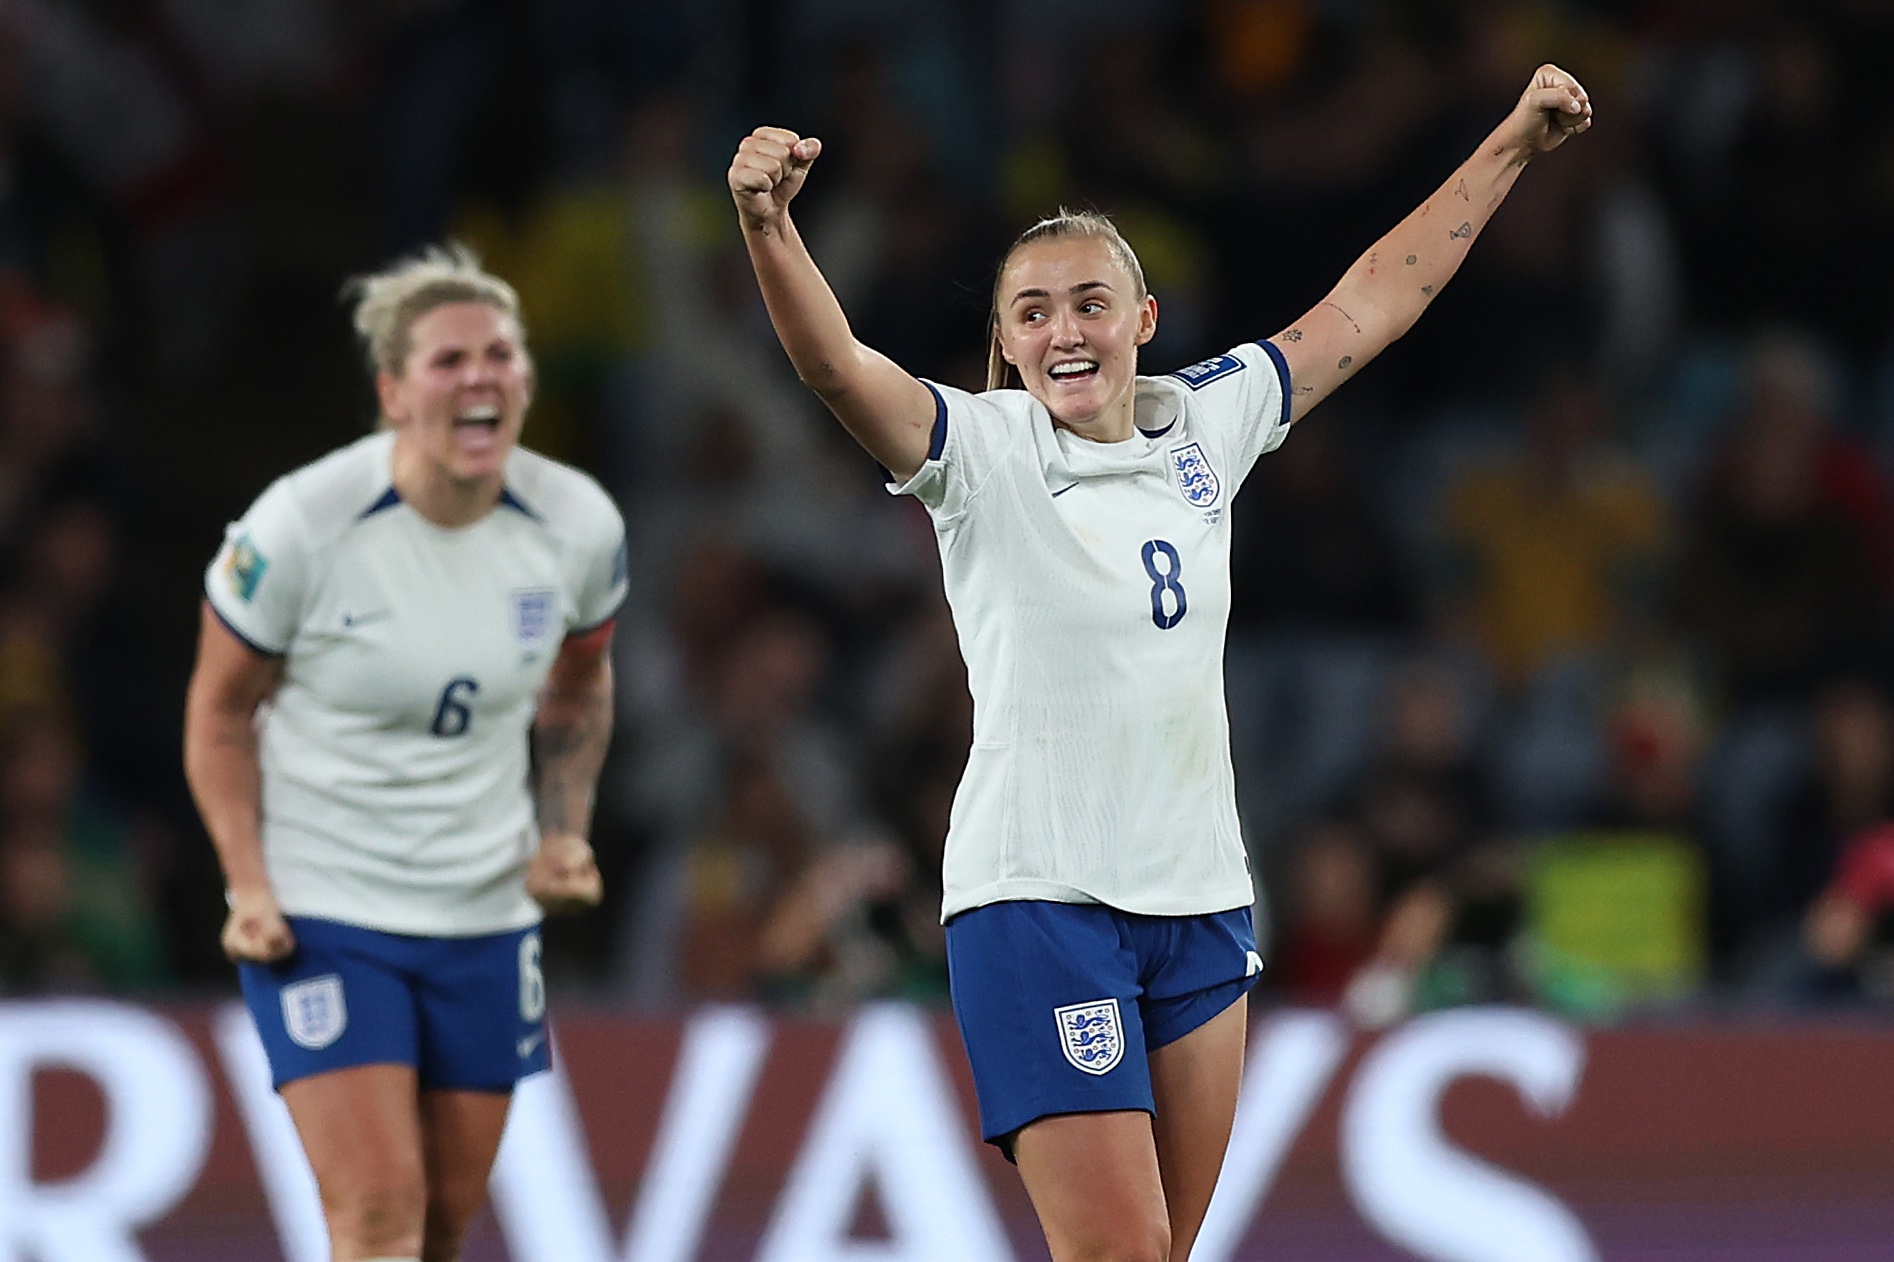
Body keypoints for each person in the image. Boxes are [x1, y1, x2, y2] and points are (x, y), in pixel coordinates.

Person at [730, 62, 1591, 1261]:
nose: (1061, 329)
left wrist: (1510, 145)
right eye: (1031, 311)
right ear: (1005, 341)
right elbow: (835, 366)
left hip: (1196, 898)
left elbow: (1369, 302)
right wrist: (768, 225)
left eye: (1089, 301)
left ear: (1141, 320)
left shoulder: (1210, 417)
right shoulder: (978, 450)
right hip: (1039, 897)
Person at [182, 246, 626, 1262]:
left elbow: (578, 679)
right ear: (390, 392)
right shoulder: (300, 526)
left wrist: (564, 831)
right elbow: (216, 711)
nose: (480, 375)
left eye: (500, 353)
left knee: (441, 1222)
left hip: (483, 907)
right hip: (325, 907)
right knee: (377, 1208)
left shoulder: (576, 524)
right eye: (447, 359)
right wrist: (247, 883)